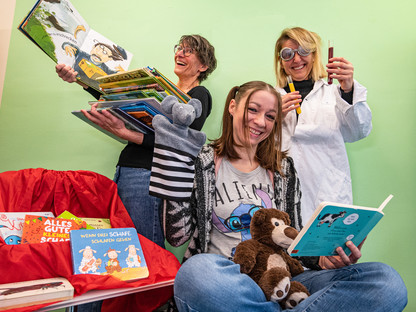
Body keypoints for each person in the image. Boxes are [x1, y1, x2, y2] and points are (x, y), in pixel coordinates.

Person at [154, 81, 407, 311]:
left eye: (270, 116)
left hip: (286, 281)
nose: (261, 122)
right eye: (253, 110)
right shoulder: (202, 160)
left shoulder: (284, 170)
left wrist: (324, 259)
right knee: (194, 274)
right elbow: (177, 236)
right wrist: (175, 160)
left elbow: (292, 242)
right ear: (233, 106)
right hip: (230, 281)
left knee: (387, 283)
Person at [55, 35, 217, 249]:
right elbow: (114, 97)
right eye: (179, 48)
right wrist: (78, 78)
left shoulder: (198, 95)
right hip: (127, 170)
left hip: (149, 176)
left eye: (188, 51)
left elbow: (182, 142)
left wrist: (126, 134)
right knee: (124, 246)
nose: (179, 53)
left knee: (143, 249)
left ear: (203, 65)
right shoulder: (159, 92)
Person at [274, 27, 373, 223]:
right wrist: (273, 117)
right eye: (288, 54)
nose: (296, 59)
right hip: (282, 190)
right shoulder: (271, 97)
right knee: (284, 249)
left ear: (314, 55)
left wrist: (348, 89)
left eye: (303, 51)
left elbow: (359, 131)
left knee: (328, 251)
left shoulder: (334, 94)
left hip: (328, 192)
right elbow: (254, 144)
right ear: (280, 60)